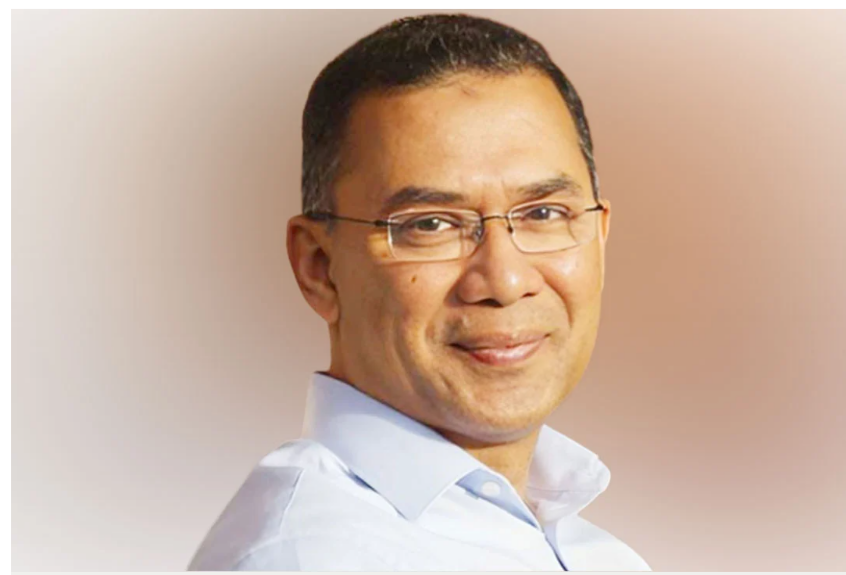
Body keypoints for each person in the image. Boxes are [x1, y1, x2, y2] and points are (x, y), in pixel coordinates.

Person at [188, 13, 650, 571]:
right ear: (319, 268)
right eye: (430, 224)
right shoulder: (310, 558)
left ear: (599, 235)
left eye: (544, 213)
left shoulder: (597, 555)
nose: (504, 282)